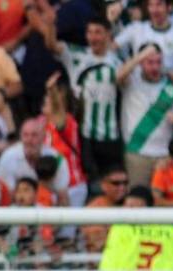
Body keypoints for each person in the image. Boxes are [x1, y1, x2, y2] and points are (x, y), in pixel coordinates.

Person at [46, 17, 122, 182]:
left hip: (111, 136)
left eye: (98, 32)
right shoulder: (77, 55)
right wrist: (51, 24)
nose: (93, 37)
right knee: (90, 183)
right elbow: (52, 45)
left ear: (108, 35)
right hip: (84, 135)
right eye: (89, 32)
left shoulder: (118, 62)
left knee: (113, 182)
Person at [118, 44, 173, 189]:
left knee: (163, 204)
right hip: (137, 154)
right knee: (138, 200)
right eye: (150, 62)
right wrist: (141, 55)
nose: (155, 67)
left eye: (158, 62)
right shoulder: (131, 81)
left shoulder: (171, 86)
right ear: (140, 63)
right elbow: (119, 76)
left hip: (165, 155)